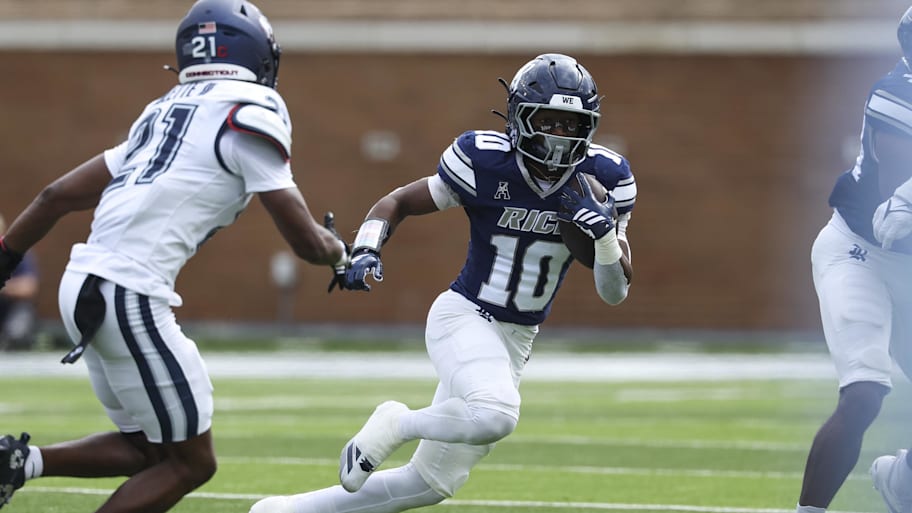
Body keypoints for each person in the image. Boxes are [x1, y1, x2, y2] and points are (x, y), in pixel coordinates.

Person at [250, 53, 637, 513]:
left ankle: (281, 511)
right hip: (467, 316)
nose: (559, 137)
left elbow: (614, 294)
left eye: (571, 124)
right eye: (548, 121)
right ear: (519, 118)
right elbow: (399, 201)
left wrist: (604, 238)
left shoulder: (606, 180)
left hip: (518, 338)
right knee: (496, 414)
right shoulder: (487, 162)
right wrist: (367, 247)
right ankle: (398, 422)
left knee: (428, 483)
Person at [0, 1, 349, 511]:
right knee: (192, 463)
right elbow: (305, 240)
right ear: (257, 53)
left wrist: (6, 257)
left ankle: (19, 463)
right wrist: (342, 253)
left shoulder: (163, 111)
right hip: (129, 291)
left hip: (83, 283)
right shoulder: (250, 107)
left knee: (150, 446)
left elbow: (57, 195)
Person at [796, 6, 912, 513]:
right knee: (865, 391)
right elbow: (895, 213)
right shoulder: (897, 92)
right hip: (862, 251)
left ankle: (903, 482)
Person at [0, 214, 39, 351]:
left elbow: (28, 287)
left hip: (9, 309)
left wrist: (5, 288)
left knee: (23, 310)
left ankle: (13, 343)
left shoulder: (14, 253)